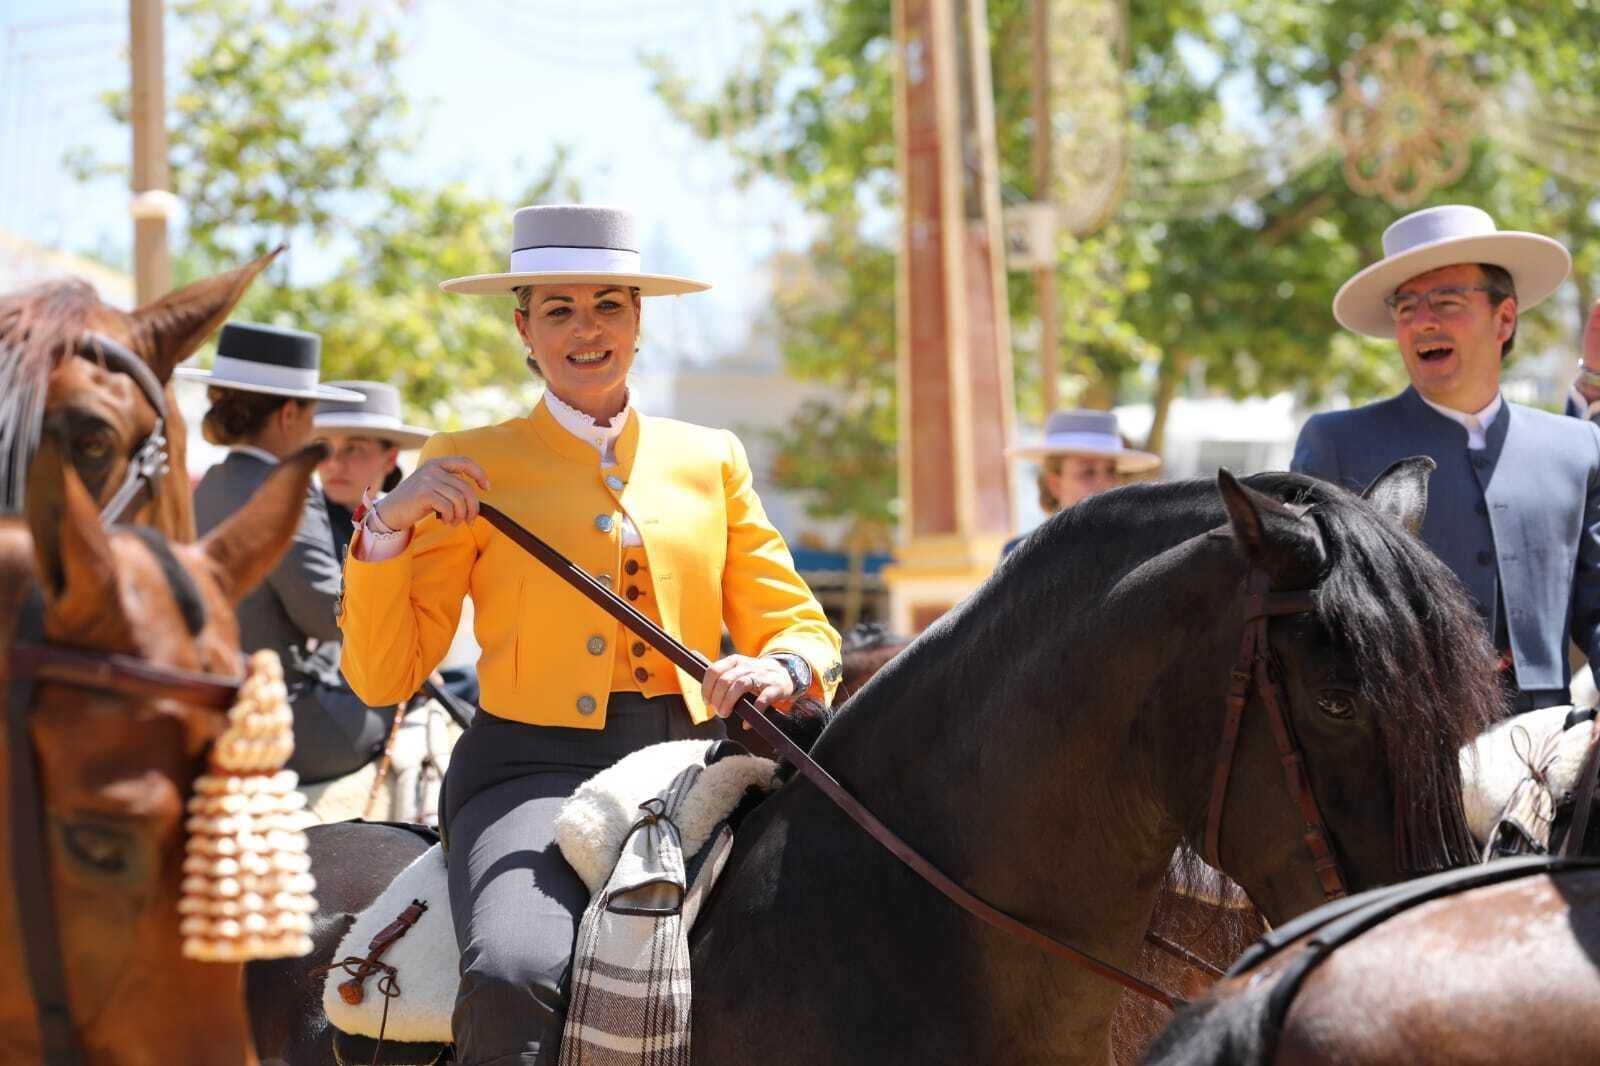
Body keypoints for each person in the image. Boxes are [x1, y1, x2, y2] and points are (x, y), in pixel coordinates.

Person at [335, 204, 843, 1065]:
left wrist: (779, 664)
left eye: (609, 305)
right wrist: (386, 524)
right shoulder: (466, 458)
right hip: (527, 771)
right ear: (523, 329)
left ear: (638, 319)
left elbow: (796, 622)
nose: (587, 329)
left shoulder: (712, 456)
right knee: (514, 969)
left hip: (697, 762)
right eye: (559, 310)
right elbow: (385, 676)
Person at [1292, 204, 1600, 713]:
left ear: (1504, 318)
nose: (1423, 322)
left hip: (1544, 746)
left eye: (1447, 302)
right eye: (1406, 308)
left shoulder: (1579, 448)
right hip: (1395, 744)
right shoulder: (1335, 444)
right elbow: (1301, 619)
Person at [178, 324, 397, 781]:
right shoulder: (286, 488)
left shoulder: (209, 484)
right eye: (313, 411)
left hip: (207, 705)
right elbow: (326, 615)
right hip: (276, 719)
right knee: (395, 693)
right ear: (290, 413)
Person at [1003, 408, 1161, 554]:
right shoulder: (1021, 555)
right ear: (1055, 485)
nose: (1106, 484)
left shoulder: (1140, 549)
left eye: (1111, 471)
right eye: (1088, 472)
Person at [313, 380, 431, 561]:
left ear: (390, 459)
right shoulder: (299, 525)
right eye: (324, 447)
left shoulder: (420, 529)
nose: (335, 464)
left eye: (353, 448)